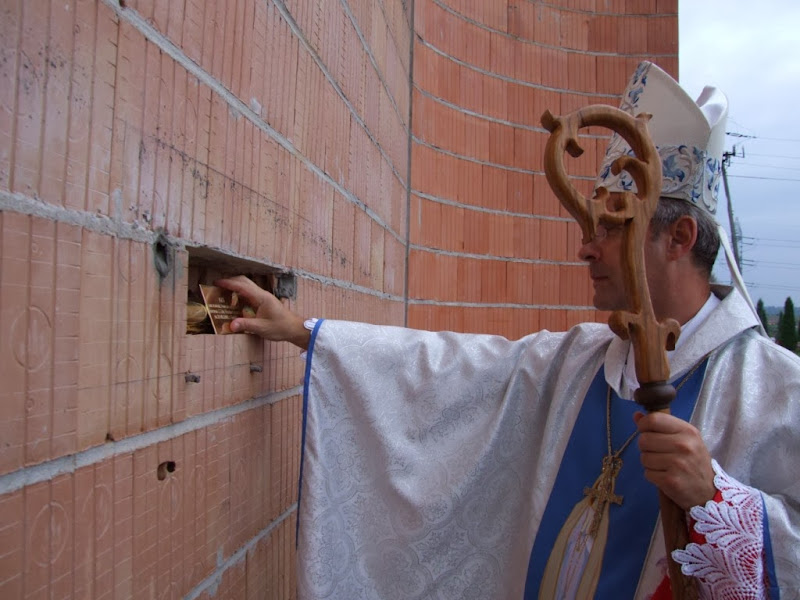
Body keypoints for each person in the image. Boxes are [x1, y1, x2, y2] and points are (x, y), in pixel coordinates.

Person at [217, 62, 799, 599]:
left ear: (679, 239)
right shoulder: (581, 362)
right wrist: (304, 332)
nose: (586, 248)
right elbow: (447, 369)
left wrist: (720, 500)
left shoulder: (777, 392)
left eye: (612, 227)